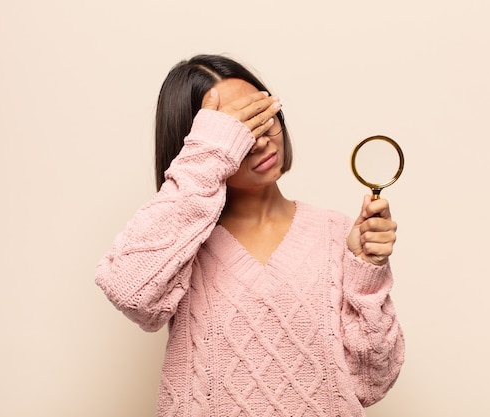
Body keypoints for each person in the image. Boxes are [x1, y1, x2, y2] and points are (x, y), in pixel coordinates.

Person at [95, 54, 404, 417]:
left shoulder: (338, 233)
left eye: (260, 118)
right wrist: (210, 152)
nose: (258, 142)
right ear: (201, 143)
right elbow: (130, 293)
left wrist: (365, 272)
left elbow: (371, 382)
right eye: (237, 130)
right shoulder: (180, 243)